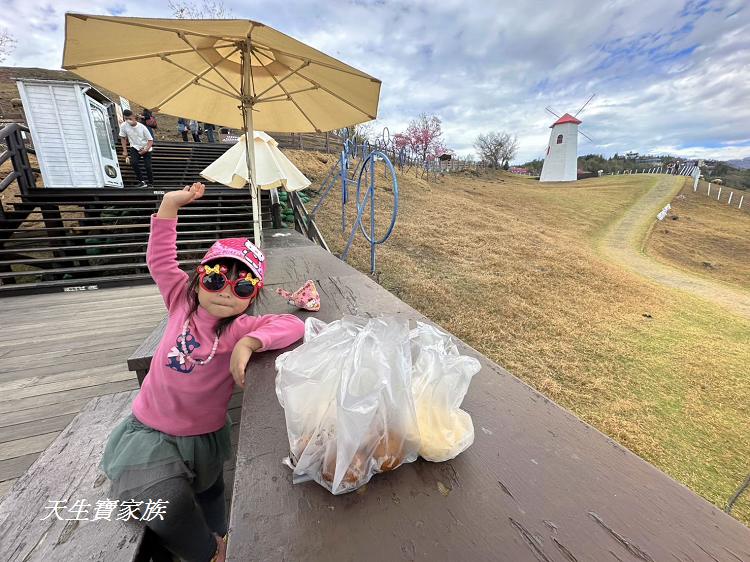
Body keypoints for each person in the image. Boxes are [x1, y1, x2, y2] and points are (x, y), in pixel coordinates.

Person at [98, 182, 305, 562]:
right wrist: (167, 206)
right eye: (215, 277)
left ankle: (221, 532)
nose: (226, 291)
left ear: (253, 295)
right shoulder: (180, 300)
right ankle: (207, 552)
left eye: (242, 285)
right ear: (198, 277)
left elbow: (294, 326)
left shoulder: (241, 328)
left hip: (204, 435)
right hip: (152, 430)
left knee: (211, 488)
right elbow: (160, 260)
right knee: (169, 499)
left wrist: (249, 344)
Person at [120, 109, 154, 188]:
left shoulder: (142, 127)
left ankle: (151, 183)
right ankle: (141, 181)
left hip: (146, 146)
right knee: (134, 163)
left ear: (134, 117)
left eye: (130, 118)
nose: (128, 121)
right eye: (126, 119)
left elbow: (150, 140)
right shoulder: (123, 126)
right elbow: (123, 138)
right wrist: (124, 151)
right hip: (134, 146)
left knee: (147, 166)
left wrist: (145, 149)